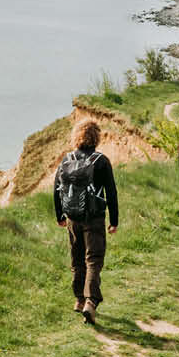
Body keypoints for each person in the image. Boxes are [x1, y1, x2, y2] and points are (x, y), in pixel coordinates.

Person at [53, 120, 118, 325]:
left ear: (76, 136)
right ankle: (90, 302)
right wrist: (114, 220)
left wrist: (60, 216)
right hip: (94, 218)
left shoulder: (67, 159)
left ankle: (78, 300)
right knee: (94, 259)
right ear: (96, 137)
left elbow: (56, 189)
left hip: (73, 217)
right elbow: (111, 192)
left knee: (77, 258)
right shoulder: (101, 161)